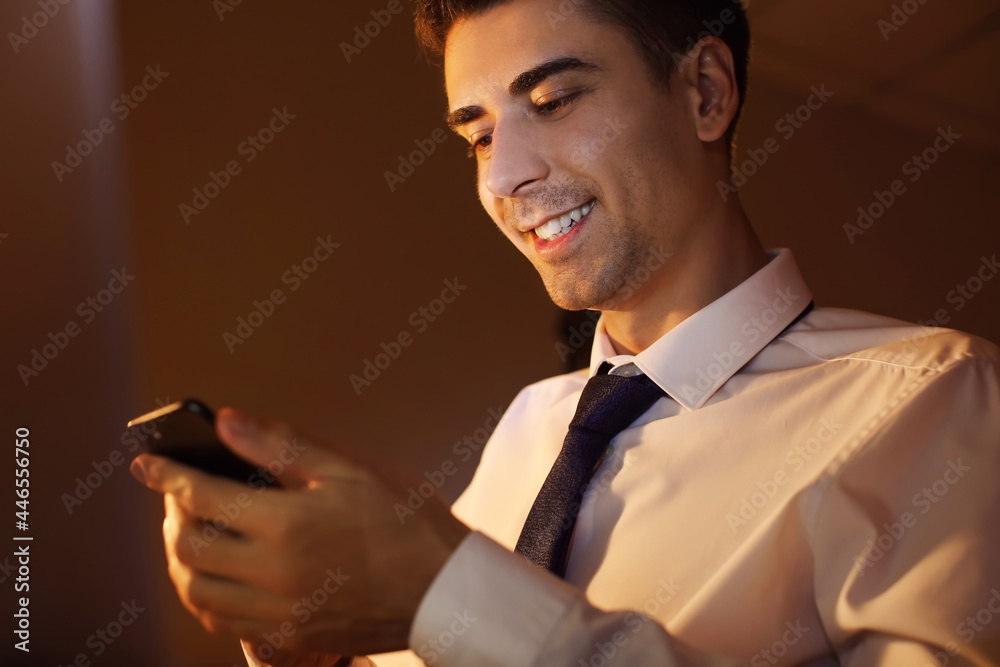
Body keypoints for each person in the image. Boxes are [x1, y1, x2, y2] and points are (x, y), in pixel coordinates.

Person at [130, 0, 1000, 665]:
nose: (505, 175)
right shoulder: (530, 427)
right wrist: (317, 642)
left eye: (551, 100)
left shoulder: (933, 399)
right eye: (477, 137)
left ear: (704, 92)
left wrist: (446, 591)